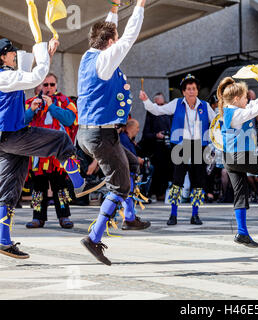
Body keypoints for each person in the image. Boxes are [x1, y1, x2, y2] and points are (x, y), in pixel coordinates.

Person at [0, 37, 97, 259]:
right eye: (10, 52)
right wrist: (42, 51)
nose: (14, 54)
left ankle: (3, 241)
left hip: (8, 140)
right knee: (61, 140)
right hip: (15, 136)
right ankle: (80, 184)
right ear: (2, 56)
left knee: (8, 191)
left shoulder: (10, 76)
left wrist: (48, 52)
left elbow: (30, 72)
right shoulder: (4, 76)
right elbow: (34, 76)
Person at [77, 0, 150, 266]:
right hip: (100, 134)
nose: (117, 42)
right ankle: (93, 238)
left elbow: (111, 31)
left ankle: (129, 218)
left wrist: (115, 8)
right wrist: (140, 5)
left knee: (131, 164)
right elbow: (128, 36)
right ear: (110, 42)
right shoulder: (106, 59)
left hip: (90, 132)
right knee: (119, 185)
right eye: (114, 39)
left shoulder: (89, 56)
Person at [217, 77, 258, 248]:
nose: (247, 99)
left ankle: (242, 233)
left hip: (229, 159)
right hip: (240, 156)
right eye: (245, 97)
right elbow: (254, 110)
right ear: (236, 99)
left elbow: (253, 106)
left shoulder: (230, 110)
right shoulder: (236, 113)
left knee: (241, 194)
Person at [141, 74, 215, 226]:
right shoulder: (176, 104)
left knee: (198, 182)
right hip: (180, 147)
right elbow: (157, 110)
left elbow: (216, 122)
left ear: (197, 90)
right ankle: (173, 214)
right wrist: (145, 100)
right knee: (177, 180)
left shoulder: (205, 106)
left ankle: (195, 214)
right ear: (183, 91)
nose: (191, 91)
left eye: (194, 88)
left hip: (199, 147)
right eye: (188, 89)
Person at [24, 73, 78, 229]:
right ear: (38, 86)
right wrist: (31, 110)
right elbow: (21, 122)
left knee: (60, 187)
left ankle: (64, 217)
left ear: (56, 86)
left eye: (51, 85)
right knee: (38, 188)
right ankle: (37, 218)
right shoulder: (30, 102)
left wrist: (52, 107)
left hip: (57, 155)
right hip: (37, 154)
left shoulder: (64, 101)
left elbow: (70, 120)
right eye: (45, 84)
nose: (48, 88)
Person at [140, 92, 172, 201]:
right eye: (158, 106)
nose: (160, 109)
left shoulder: (169, 113)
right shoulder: (151, 114)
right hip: (156, 148)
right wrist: (156, 135)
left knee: (168, 170)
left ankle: (165, 192)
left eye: (162, 105)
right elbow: (146, 133)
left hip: (168, 147)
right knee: (158, 171)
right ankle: (157, 192)